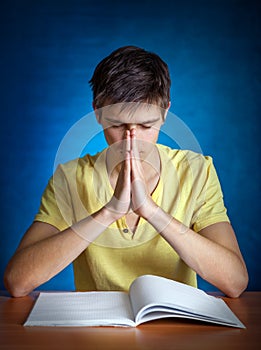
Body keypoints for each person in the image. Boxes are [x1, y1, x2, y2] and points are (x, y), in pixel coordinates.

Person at [4, 46, 248, 298]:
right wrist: (109, 212)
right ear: (97, 113)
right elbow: (18, 281)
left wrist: (151, 211)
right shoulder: (70, 178)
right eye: (117, 125)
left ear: (165, 113)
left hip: (175, 328)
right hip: (99, 330)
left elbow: (235, 282)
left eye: (146, 125)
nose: (132, 140)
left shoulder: (197, 171)